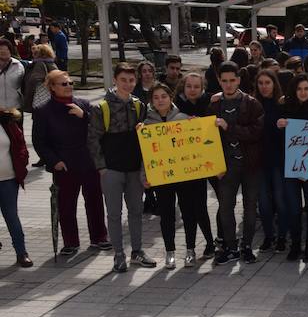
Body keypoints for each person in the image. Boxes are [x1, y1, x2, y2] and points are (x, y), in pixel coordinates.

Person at [87, 62, 156, 272]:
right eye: (123, 80)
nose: (128, 84)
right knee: (114, 214)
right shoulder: (101, 108)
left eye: (131, 80)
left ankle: (137, 251)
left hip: (134, 168)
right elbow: (93, 140)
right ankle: (118, 254)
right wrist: (101, 168)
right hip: (112, 170)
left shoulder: (139, 105)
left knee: (136, 211)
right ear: (115, 80)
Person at [32, 70, 109, 256]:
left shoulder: (84, 104)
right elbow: (39, 141)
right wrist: (54, 161)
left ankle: (99, 237)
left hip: (89, 161)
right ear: (52, 87)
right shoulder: (44, 111)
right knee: (66, 205)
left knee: (95, 201)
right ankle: (70, 242)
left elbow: (99, 130)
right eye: (63, 84)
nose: (68, 87)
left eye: (70, 83)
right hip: (65, 165)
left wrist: (85, 116)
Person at [209, 61, 265, 265]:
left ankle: (247, 246)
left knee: (250, 207)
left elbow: (256, 133)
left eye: (232, 80)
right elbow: (205, 137)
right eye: (224, 81)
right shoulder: (214, 104)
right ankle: (231, 247)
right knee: (225, 207)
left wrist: (229, 126)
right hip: (225, 166)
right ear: (219, 81)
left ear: (239, 80)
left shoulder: (251, 103)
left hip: (250, 165)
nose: (229, 85)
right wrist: (214, 165)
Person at [142, 84, 200, 269]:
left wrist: (196, 127)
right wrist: (145, 176)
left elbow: (196, 146)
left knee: (189, 212)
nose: (160, 100)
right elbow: (144, 154)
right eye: (156, 97)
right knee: (166, 214)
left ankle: (190, 250)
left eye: (164, 96)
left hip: (184, 176)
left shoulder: (183, 119)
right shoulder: (147, 125)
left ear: (171, 98)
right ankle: (170, 252)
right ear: (151, 101)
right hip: (162, 177)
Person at [277, 73, 308, 261]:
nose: (303, 92)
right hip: (291, 167)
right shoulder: (284, 108)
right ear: (293, 90)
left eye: (306, 88)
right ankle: (296, 244)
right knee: (294, 208)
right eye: (299, 89)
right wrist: (279, 125)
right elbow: (277, 138)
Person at [174, 73, 217, 257]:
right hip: (182, 165)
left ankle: (210, 242)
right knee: (185, 208)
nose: (192, 90)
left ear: (202, 88)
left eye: (196, 87)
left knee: (200, 207)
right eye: (189, 86)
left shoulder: (210, 103)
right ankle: (190, 247)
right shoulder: (175, 106)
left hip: (202, 164)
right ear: (183, 87)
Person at [254, 69, 288, 253]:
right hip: (259, 162)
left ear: (274, 84)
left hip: (278, 161)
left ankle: (282, 236)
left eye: (268, 83)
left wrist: (285, 125)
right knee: (264, 204)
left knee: (280, 200)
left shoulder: (282, 104)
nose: (264, 87)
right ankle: (269, 236)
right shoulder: (252, 105)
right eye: (261, 83)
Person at [0, 109, 31, 267]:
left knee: (12, 217)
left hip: (8, 180)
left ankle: (21, 253)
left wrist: (22, 162)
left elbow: (21, 145)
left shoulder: (7, 121)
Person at [0, 39, 24, 114]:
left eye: (6, 49)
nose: (3, 51)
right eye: (0, 49)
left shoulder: (18, 65)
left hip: (15, 108)